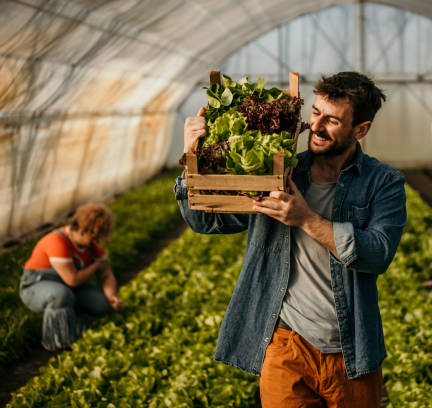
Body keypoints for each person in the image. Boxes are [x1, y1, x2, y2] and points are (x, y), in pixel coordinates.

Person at [175, 72, 406, 407]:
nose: (316, 126)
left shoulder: (383, 183)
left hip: (352, 348)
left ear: (361, 130)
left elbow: (377, 253)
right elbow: (206, 221)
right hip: (285, 342)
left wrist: (307, 220)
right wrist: (191, 160)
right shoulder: (278, 172)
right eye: (315, 113)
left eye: (332, 120)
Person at [19, 203, 123, 351]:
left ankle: (74, 325)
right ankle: (54, 342)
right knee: (61, 296)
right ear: (81, 230)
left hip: (69, 287)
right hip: (36, 287)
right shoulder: (57, 241)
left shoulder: (92, 246)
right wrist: (95, 266)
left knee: (102, 304)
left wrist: (111, 296)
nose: (96, 242)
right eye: (93, 237)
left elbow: (106, 274)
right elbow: (72, 280)